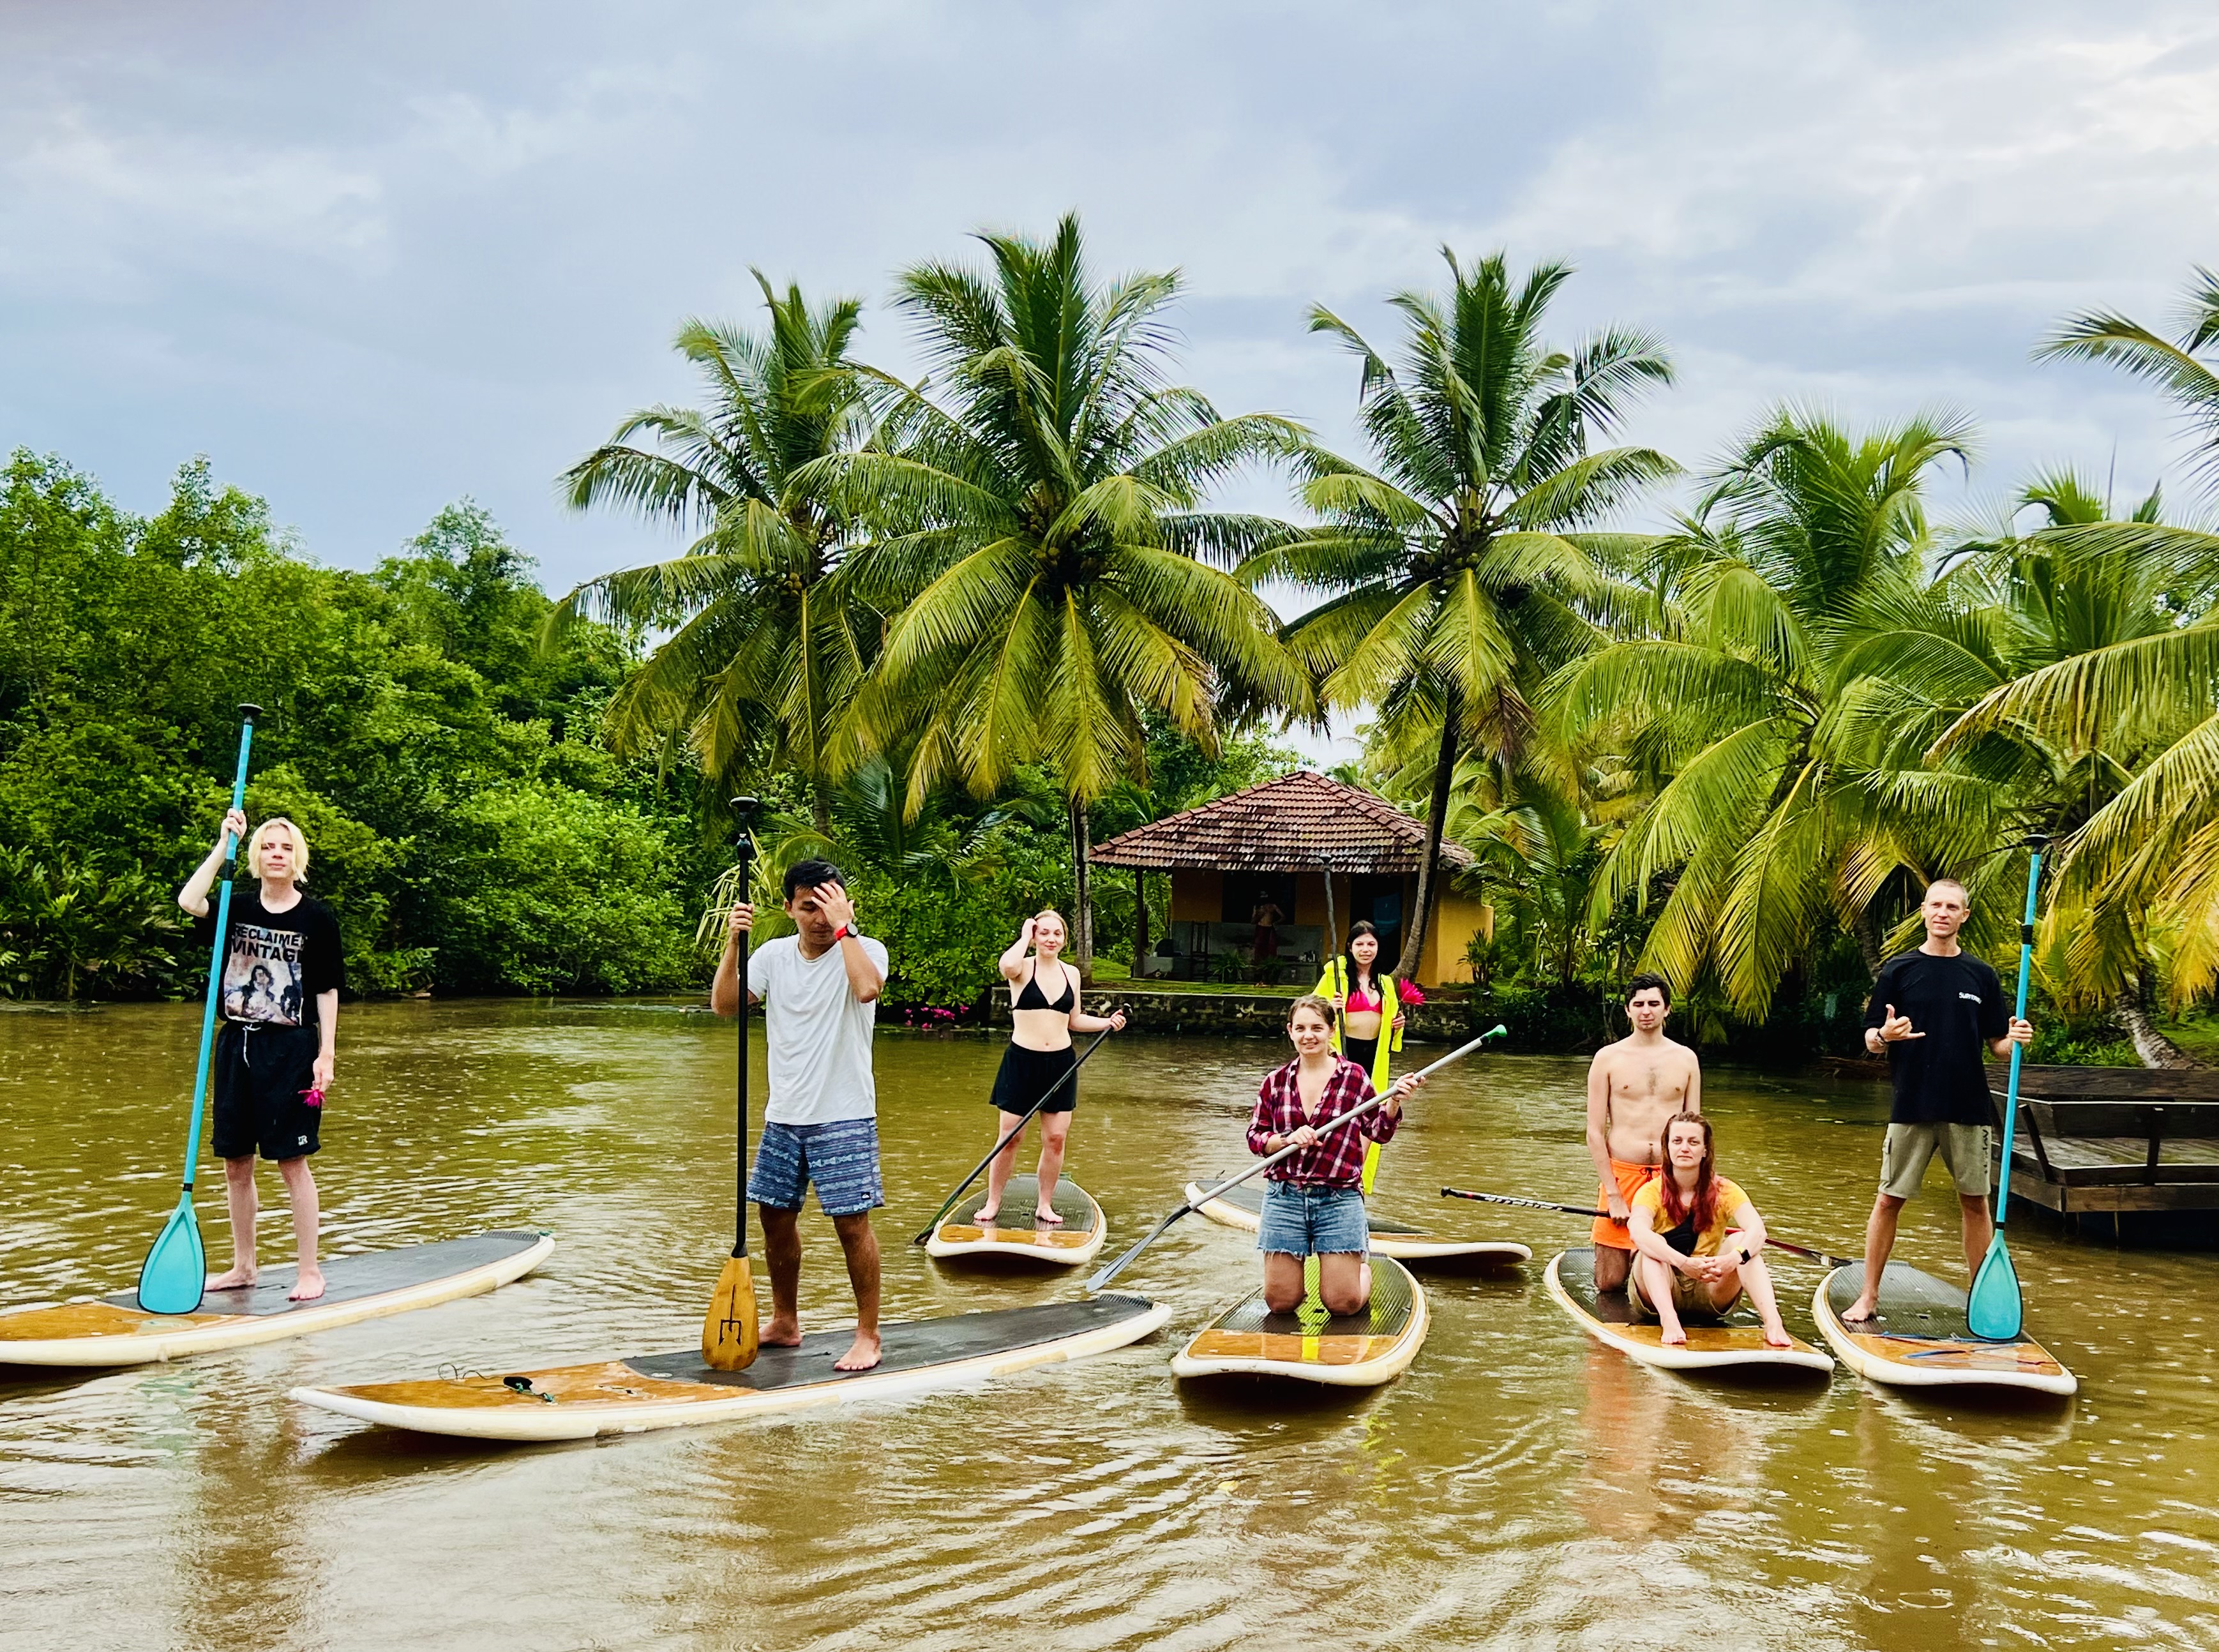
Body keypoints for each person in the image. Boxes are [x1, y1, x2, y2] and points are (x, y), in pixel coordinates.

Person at [712, 859, 890, 1372]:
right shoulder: (771, 956)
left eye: (829, 906)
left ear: (846, 907)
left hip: (845, 1113)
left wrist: (844, 927)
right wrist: (734, 945)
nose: (818, 917)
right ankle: (786, 1322)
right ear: (789, 907)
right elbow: (726, 1006)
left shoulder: (864, 951)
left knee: (851, 1224)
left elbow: (867, 990)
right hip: (785, 1115)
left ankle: (869, 1335)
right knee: (774, 1218)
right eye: (808, 906)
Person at [1843, 876, 2035, 1323]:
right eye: (1936, 905)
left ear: (1963, 916)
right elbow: (1873, 1038)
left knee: (1975, 1203)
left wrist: (2016, 1038)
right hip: (1912, 1103)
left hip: (1968, 1105)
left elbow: (1998, 1045)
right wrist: (1884, 1036)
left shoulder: (1981, 975)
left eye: (1953, 907)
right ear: (1925, 912)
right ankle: (1868, 1295)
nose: (1943, 913)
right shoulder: (1899, 970)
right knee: (1889, 1199)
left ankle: (1980, 1298)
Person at [177, 811, 342, 1302]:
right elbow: (189, 901)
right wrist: (224, 843)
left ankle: (309, 1271)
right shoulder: (236, 906)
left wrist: (326, 1054)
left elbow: (327, 989)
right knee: (235, 1163)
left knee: (292, 1161)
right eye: (268, 846)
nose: (276, 854)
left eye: (286, 848)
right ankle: (243, 1267)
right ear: (255, 857)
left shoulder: (316, 917)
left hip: (289, 1047)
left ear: (298, 860)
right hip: (236, 1043)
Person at [1245, 995, 1423, 1316]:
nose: (1308, 1035)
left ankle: (1360, 1273)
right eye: (1300, 1028)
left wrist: (1394, 1102)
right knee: (1280, 1302)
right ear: (1290, 1032)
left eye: (1316, 1027)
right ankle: (1299, 1279)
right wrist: (1285, 1140)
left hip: (1338, 1199)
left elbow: (1379, 1133)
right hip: (1285, 1197)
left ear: (1331, 1030)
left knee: (1343, 1304)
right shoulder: (1275, 1082)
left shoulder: (1353, 1077)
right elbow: (1256, 1138)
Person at [974, 911, 1125, 1226]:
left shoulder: (1071, 974)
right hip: (1022, 1062)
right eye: (1043, 933)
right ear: (1034, 936)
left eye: (1057, 934)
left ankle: (1045, 1204)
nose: (1050, 939)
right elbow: (1006, 967)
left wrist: (1107, 1023)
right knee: (1010, 1137)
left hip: (1060, 1064)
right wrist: (1024, 936)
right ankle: (993, 1203)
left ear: (1064, 939)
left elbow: (1075, 1020)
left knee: (1056, 1138)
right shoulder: (1022, 967)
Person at [1625, 1111, 1794, 1349]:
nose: (1685, 1148)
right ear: (1668, 1148)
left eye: (1693, 1142)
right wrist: (1682, 1262)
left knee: (1745, 1240)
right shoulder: (1651, 1191)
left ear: (1705, 1150)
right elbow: (1637, 1230)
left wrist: (1732, 1259)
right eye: (1678, 1141)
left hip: (1711, 1285)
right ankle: (1670, 1321)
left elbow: (1758, 1230)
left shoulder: (1726, 1190)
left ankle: (1774, 1322)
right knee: (1650, 1247)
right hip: (1660, 1289)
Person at [1584, 972, 1702, 1292]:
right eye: (1638, 1004)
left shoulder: (1686, 1059)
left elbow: (1695, 1129)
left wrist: (1695, 1187)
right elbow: (1594, 1132)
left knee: (1661, 1272)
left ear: (1667, 1010)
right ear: (1627, 1011)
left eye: (1654, 1003)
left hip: (1670, 1177)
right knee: (1609, 1283)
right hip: (1624, 1175)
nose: (1646, 1010)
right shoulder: (1607, 1058)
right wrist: (1613, 1194)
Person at [1313, 918, 1407, 1190]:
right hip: (1343, 1055)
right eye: (1360, 944)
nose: (1366, 949)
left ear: (1378, 947)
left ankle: (1356, 1181)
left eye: (1371, 944)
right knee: (1335, 1115)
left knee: (1370, 1118)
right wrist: (1329, 1006)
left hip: (1373, 1059)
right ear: (1350, 947)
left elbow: (1391, 1022)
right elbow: (1310, 1012)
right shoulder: (1335, 978)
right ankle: (1325, 1175)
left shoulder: (1386, 983)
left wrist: (1397, 1024)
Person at [1250, 892, 1284, 971]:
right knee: (1259, 949)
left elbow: (1283, 917)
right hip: (1260, 928)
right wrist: (1258, 913)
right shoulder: (1258, 907)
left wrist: (1275, 923)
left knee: (1270, 949)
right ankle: (1258, 969)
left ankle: (1269, 968)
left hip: (1269, 929)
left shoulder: (1273, 906)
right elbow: (1252, 921)